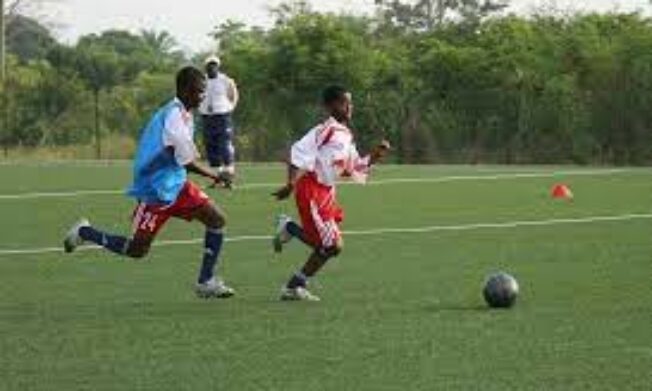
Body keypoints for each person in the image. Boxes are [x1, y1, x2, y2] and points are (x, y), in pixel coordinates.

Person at [63, 66, 235, 299]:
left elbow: (182, 160)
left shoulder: (184, 112)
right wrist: (217, 175)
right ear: (185, 90)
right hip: (155, 190)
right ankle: (85, 232)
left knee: (217, 220)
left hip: (177, 185)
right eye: (199, 91)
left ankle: (205, 281)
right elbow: (185, 161)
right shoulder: (174, 117)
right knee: (137, 250)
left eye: (204, 91)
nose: (202, 96)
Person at [272, 85, 391, 301]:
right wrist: (290, 183)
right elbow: (298, 151)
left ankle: (289, 238)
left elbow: (353, 167)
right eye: (345, 103)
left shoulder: (346, 135)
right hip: (311, 190)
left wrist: (376, 155)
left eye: (350, 103)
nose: (349, 107)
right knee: (331, 245)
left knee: (329, 246)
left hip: (326, 193)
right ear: (331, 106)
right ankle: (293, 285)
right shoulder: (326, 129)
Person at [199, 55, 239, 176]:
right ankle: (218, 174)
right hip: (206, 116)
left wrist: (231, 107)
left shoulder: (226, 80)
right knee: (210, 144)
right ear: (205, 67)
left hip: (222, 116)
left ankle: (229, 171)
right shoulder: (202, 81)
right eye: (209, 65)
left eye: (214, 65)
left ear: (218, 66)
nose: (212, 67)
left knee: (224, 143)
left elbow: (234, 95)